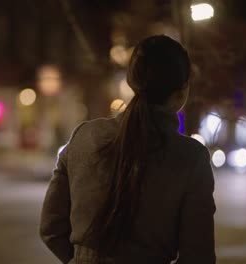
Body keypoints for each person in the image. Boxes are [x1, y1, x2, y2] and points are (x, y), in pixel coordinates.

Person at [40, 35, 216, 264]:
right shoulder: (191, 158)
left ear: (132, 82)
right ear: (182, 91)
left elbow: (51, 228)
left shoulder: (85, 137)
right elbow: (198, 257)